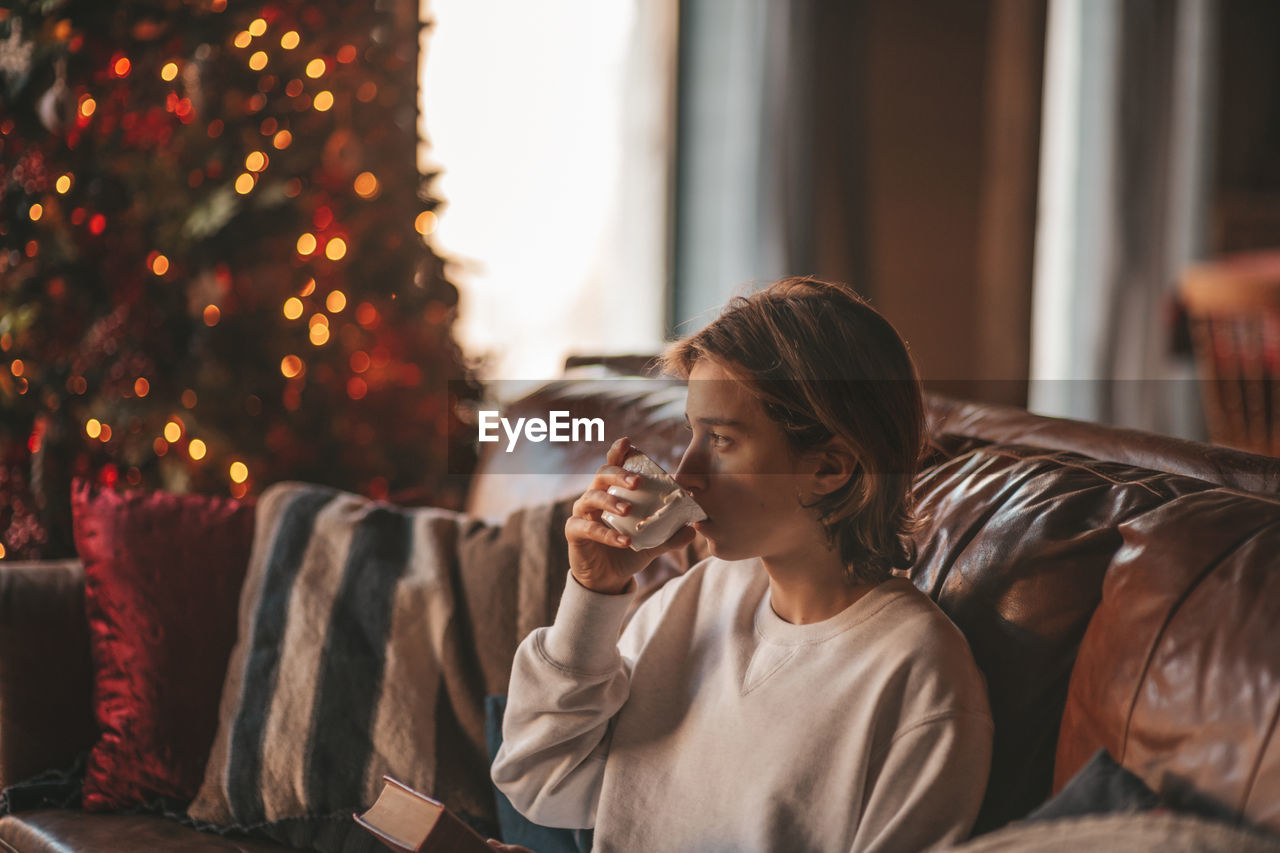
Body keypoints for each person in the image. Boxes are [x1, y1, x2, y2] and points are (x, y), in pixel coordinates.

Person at [490, 276, 993, 852]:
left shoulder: (919, 678)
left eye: (723, 441)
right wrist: (592, 594)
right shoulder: (700, 596)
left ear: (831, 468)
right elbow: (543, 785)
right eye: (692, 434)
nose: (686, 476)